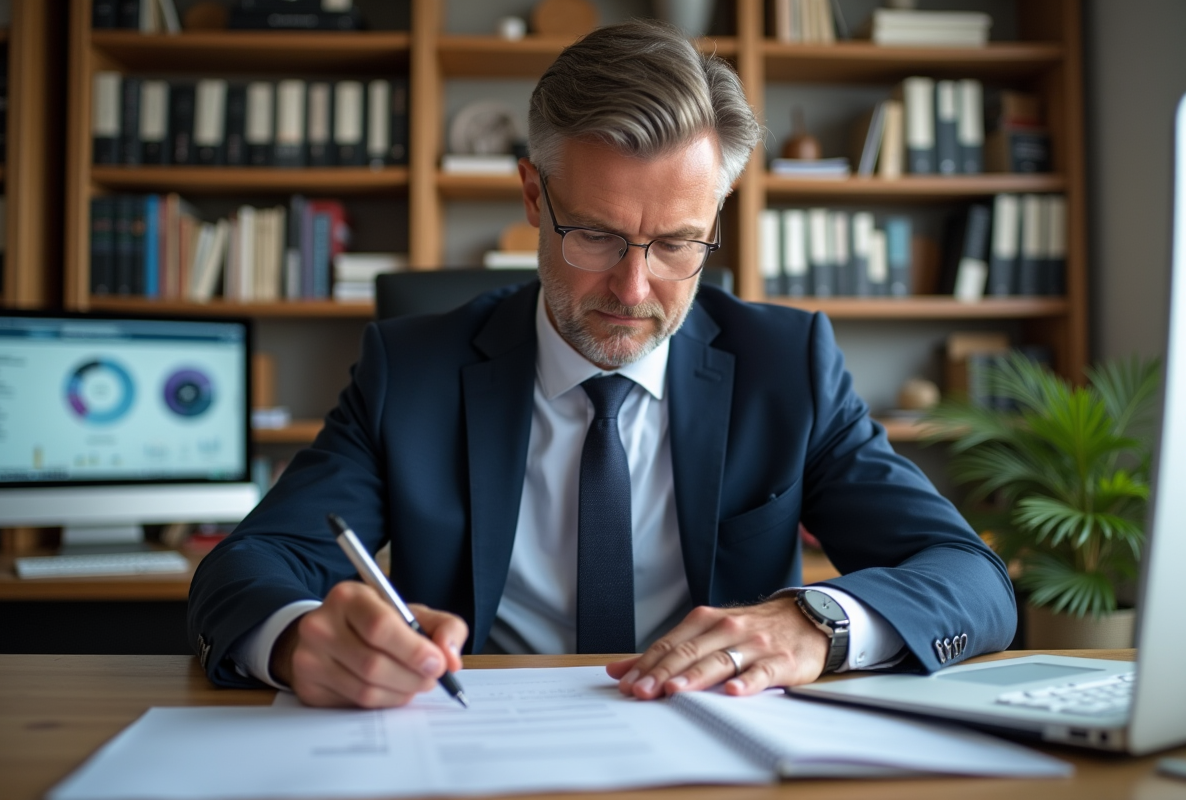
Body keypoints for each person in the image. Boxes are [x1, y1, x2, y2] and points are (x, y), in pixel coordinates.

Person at [188, 20, 1015, 709]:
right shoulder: (414, 370)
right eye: (594, 234)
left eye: (679, 244)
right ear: (531, 196)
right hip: (475, 748)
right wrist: (301, 639)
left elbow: (970, 580)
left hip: (717, 754)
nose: (632, 286)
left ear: (715, 217)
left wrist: (818, 623)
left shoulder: (785, 366)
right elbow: (249, 566)